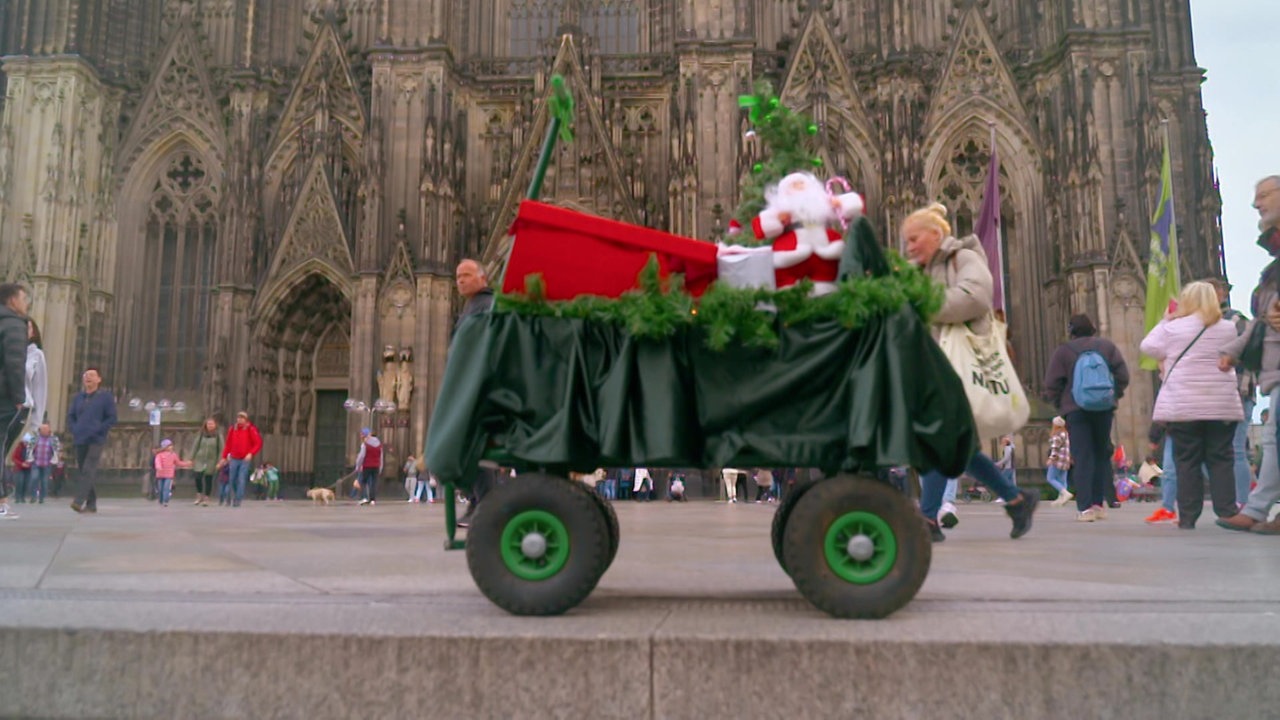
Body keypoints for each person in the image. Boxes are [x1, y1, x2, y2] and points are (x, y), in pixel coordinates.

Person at [901, 202, 1039, 541]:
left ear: (936, 235)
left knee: (941, 441)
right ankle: (1017, 499)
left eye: (915, 238)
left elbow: (975, 297)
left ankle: (929, 519)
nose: (909, 246)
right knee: (960, 448)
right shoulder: (913, 271)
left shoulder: (963, 258)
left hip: (958, 368)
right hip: (928, 370)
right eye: (906, 241)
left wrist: (921, 301)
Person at [1140, 281, 1244, 528]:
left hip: (1184, 405)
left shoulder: (1174, 328)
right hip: (1220, 403)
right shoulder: (1228, 328)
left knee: (1186, 460)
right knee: (1221, 457)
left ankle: (1188, 516)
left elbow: (1148, 346)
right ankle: (1227, 511)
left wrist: (1166, 319)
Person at [1218, 175, 1280, 533]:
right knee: (1272, 440)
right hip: (1272, 369)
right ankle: (1257, 509)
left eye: (1264, 196)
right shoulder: (1273, 263)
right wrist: (1231, 352)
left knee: (1273, 440)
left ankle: (1256, 509)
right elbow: (1259, 321)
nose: (1257, 204)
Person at [1043, 313, 1130, 522]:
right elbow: (1123, 376)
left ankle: (1085, 508)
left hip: (1076, 410)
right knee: (1101, 455)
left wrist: (1062, 405)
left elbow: (1052, 383)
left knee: (1083, 457)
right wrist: (1112, 396)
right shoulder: (1107, 347)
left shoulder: (1064, 351)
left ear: (1071, 331)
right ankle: (1099, 505)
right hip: (1103, 408)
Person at [454, 259, 496, 528]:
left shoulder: (485, 305)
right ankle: (479, 500)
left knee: (461, 447)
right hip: (475, 392)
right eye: (458, 277)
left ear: (483, 278)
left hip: (483, 394)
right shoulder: (475, 305)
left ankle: (484, 501)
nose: (460, 280)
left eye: (466, 275)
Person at [1210, 277, 1257, 506]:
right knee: (1216, 451)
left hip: (1239, 389)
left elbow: (1253, 349)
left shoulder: (1236, 319)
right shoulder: (1202, 322)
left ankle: (1242, 502)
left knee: (1236, 448)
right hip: (1215, 393)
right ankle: (1232, 498)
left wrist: (1231, 359)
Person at [67, 367, 117, 514]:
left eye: (92, 375)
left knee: (88, 469)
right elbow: (71, 416)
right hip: (80, 438)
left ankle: (78, 501)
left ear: (99, 379)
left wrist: (100, 429)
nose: (88, 377)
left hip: (96, 438)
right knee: (83, 470)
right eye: (86, 375)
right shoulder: (78, 397)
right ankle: (92, 504)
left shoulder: (105, 397)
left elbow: (112, 417)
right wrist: (74, 428)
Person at [0, 283, 30, 519]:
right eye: (23, 298)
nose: (26, 302)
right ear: (12, 300)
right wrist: (19, 397)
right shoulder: (14, 324)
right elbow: (14, 363)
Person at [219, 411, 262, 508]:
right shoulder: (233, 429)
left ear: (246, 419)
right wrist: (224, 456)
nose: (240, 420)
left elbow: (258, 443)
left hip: (244, 458)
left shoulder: (250, 429)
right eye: (239, 418)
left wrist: (251, 453)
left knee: (241, 479)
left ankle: (238, 499)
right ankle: (230, 498)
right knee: (231, 479)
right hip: (234, 457)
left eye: (242, 418)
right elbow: (228, 444)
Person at [187, 418, 223, 506]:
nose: (210, 425)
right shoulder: (201, 434)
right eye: (208, 424)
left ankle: (206, 497)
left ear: (215, 425)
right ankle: (199, 495)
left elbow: (221, 449)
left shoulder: (218, 435)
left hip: (211, 460)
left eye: (212, 424)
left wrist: (220, 461)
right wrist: (191, 458)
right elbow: (195, 446)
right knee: (198, 477)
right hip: (200, 459)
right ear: (205, 425)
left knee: (208, 479)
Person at [21, 319, 46, 441]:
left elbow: (40, 391)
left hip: (21, 411)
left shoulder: (36, 355)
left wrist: (33, 432)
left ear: (34, 333)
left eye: (27, 328)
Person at [25, 423, 60, 504]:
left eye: (46, 429)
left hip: (47, 463)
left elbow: (57, 449)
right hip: (36, 463)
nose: (44, 431)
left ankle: (42, 498)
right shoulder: (34, 438)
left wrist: (55, 459)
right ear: (39, 430)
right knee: (34, 478)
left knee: (44, 482)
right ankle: (33, 496)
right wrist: (29, 458)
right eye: (42, 429)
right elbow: (28, 447)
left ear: (49, 430)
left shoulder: (54, 439)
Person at [152, 439, 191, 507]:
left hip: (169, 475)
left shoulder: (173, 455)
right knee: (160, 488)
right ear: (165, 447)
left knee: (166, 488)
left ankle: (165, 501)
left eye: (171, 445)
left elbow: (178, 463)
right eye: (169, 446)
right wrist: (159, 467)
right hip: (160, 474)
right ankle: (160, 499)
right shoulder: (159, 455)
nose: (171, 447)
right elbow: (157, 462)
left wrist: (187, 464)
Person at [1047, 417, 1074, 507]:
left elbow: (1055, 448)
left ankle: (1065, 493)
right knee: (1062, 479)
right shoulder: (1065, 433)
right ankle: (1061, 498)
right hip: (1066, 460)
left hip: (1058, 460)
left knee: (1050, 478)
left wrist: (1051, 458)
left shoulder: (1057, 435)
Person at [354, 427, 383, 506]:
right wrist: (380, 467)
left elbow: (361, 456)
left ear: (365, 435)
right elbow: (381, 456)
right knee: (373, 483)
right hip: (376, 466)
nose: (361, 436)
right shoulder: (379, 444)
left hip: (367, 465)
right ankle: (372, 499)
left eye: (362, 435)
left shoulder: (365, 444)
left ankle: (364, 497)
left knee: (364, 482)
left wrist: (357, 466)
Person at [10, 433, 32, 503]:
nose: (26, 444)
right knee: (20, 482)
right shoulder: (19, 448)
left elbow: (33, 458)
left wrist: (29, 464)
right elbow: (14, 457)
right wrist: (21, 464)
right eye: (25, 442)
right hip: (19, 468)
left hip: (28, 468)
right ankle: (17, 497)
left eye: (28, 442)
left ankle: (23, 497)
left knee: (26, 483)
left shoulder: (31, 449)